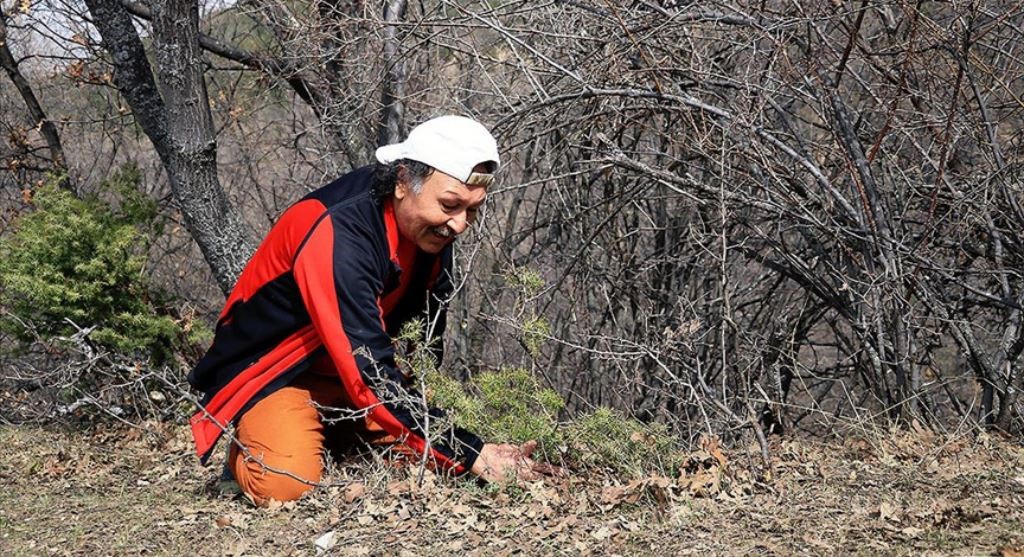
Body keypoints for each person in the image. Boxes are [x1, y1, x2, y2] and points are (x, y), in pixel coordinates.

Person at [187, 115, 555, 505]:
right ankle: (249, 448)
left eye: (473, 209)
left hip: (351, 373)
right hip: (280, 373)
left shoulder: (427, 230)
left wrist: (453, 436)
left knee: (430, 460)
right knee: (287, 485)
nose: (460, 224)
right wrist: (468, 452)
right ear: (401, 182)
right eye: (450, 204)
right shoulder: (340, 234)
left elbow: (423, 338)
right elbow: (368, 367)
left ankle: (334, 431)